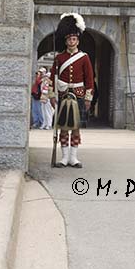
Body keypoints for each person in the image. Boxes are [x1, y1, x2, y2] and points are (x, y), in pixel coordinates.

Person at [49, 13, 94, 168]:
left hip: (78, 96)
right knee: (63, 127)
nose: (71, 41)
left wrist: (88, 98)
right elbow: (52, 78)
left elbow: (89, 78)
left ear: (78, 40)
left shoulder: (84, 57)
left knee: (75, 128)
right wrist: (52, 96)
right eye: (69, 39)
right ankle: (64, 157)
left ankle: (73, 158)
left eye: (74, 39)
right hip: (62, 95)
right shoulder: (59, 58)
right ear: (66, 40)